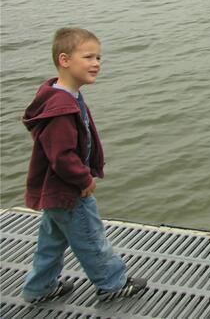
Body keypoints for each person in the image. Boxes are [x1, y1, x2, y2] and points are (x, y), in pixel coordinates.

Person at [21, 28, 147, 304]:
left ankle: (39, 287)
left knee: (51, 243)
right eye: (88, 57)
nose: (96, 63)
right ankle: (112, 284)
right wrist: (83, 180)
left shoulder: (63, 96)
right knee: (91, 237)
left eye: (99, 57)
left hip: (54, 193)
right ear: (64, 60)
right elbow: (62, 156)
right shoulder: (61, 108)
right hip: (69, 191)